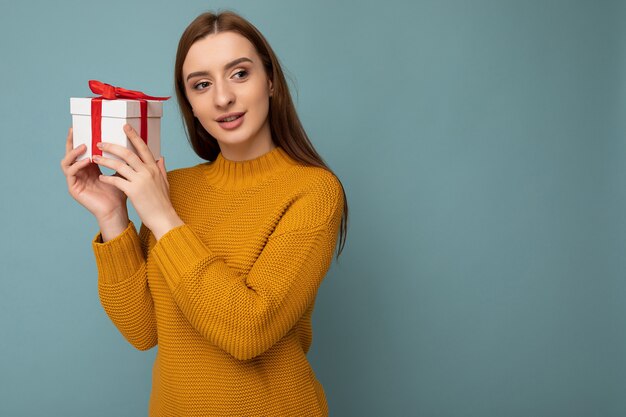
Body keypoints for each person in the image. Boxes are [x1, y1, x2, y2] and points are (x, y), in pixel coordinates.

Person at [60, 9, 348, 417]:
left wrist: (163, 219)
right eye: (201, 84)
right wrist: (113, 219)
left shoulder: (313, 191)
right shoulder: (173, 188)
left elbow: (248, 331)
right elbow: (144, 330)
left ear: (271, 81)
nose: (222, 98)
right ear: (190, 105)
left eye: (239, 73)